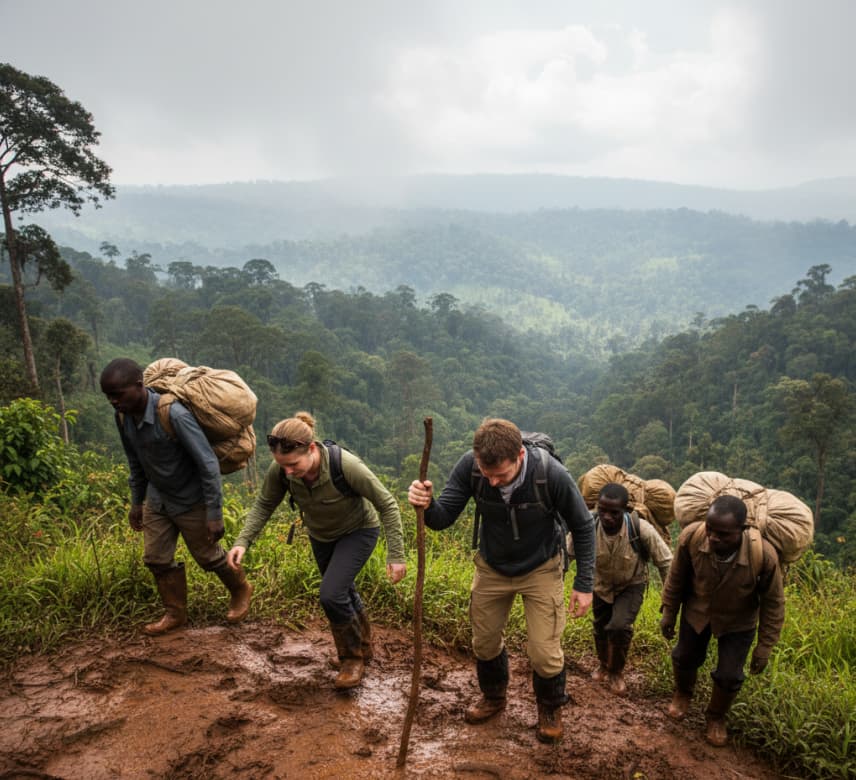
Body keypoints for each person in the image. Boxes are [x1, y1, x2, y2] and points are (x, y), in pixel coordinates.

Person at [407, 418, 595, 744]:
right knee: (484, 641)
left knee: (544, 651)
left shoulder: (551, 474)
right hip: (493, 565)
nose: (493, 482)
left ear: (520, 455)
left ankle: (550, 708)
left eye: (502, 475)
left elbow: (582, 526)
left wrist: (584, 583)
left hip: (541, 567)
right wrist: (425, 503)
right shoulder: (471, 467)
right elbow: (442, 518)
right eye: (487, 473)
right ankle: (494, 696)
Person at [227, 412, 406, 690]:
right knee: (343, 592)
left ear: (311, 449)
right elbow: (264, 505)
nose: (288, 471)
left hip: (358, 531)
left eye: (293, 464)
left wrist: (396, 555)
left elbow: (388, 504)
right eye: (282, 466)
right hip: (322, 536)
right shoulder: (282, 472)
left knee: (331, 594)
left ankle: (351, 659)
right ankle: (364, 647)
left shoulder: (345, 466)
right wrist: (242, 541)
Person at [100, 358, 253, 635]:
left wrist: (214, 514)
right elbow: (135, 461)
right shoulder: (123, 417)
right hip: (157, 498)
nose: (113, 401)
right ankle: (175, 613)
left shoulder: (174, 414)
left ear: (138, 386)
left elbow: (207, 463)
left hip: (191, 498)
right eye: (108, 396)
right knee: (156, 558)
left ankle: (241, 589)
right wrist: (137, 502)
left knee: (209, 556)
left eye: (117, 395)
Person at [659, 495, 784, 746]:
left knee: (730, 674)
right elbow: (676, 578)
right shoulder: (692, 538)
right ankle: (682, 694)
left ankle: (716, 717)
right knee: (684, 657)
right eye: (711, 529)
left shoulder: (763, 555)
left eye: (724, 534)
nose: (714, 537)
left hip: (738, 620)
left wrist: (765, 646)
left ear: (742, 530)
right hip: (698, 610)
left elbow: (774, 603)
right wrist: (669, 612)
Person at [589, 483, 672, 695]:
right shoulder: (589, 524)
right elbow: (568, 552)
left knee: (618, 627)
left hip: (631, 583)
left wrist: (669, 599)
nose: (607, 517)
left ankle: (616, 671)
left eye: (614, 512)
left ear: (625, 511)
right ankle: (603, 664)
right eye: (603, 510)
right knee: (600, 625)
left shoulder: (641, 529)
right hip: (601, 583)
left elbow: (665, 562)